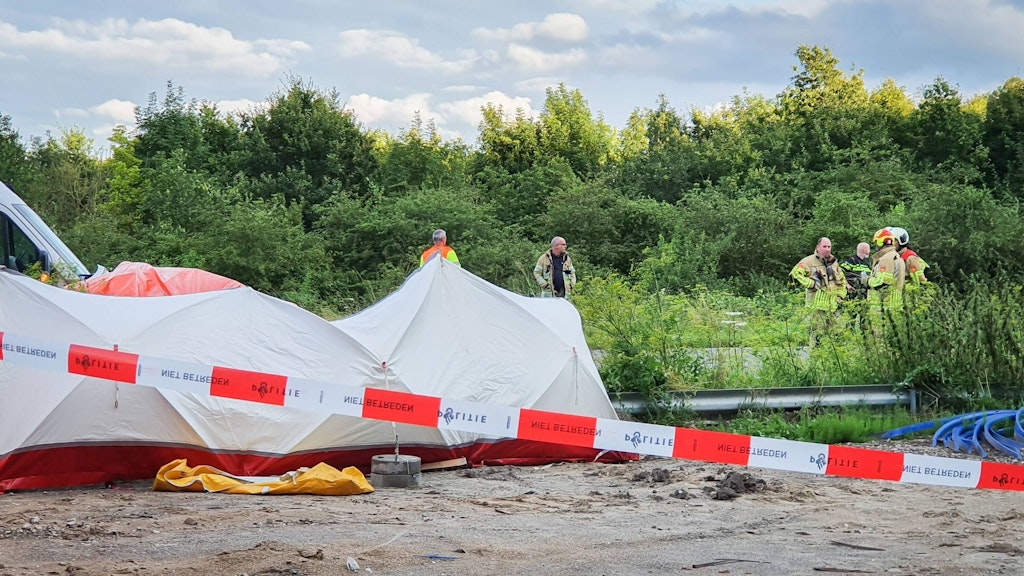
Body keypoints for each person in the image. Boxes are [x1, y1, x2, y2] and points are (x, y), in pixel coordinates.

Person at [790, 237, 847, 345]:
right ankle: (816, 359)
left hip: (833, 306)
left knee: (837, 333)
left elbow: (842, 280)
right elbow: (795, 274)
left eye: (829, 247)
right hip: (816, 306)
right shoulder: (808, 261)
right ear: (818, 247)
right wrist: (811, 284)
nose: (827, 249)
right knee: (817, 334)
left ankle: (834, 359)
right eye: (824, 246)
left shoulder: (834, 263)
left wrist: (841, 295)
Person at [867, 227, 906, 316]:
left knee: (879, 330)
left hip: (884, 307)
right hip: (894, 304)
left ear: (880, 242)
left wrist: (867, 280)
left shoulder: (886, 259)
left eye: (877, 242)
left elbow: (882, 284)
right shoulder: (895, 256)